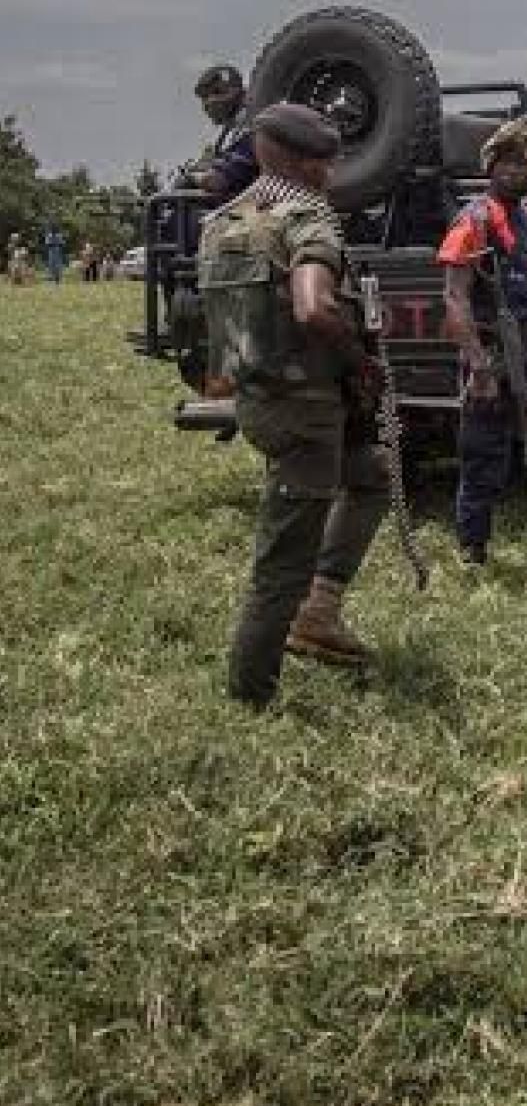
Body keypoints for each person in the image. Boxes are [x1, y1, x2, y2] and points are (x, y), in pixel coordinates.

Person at [196, 104, 389, 707]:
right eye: (327, 164)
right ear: (310, 163)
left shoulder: (222, 219)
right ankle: (250, 694)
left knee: (373, 476)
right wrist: (363, 362)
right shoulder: (309, 217)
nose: (331, 175)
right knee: (283, 560)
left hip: (259, 399)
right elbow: (312, 307)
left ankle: (321, 608)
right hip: (306, 410)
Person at [438, 121, 527, 573]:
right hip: (494, 361)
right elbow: (454, 296)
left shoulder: (522, 216)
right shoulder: (474, 219)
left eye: (525, 164)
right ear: (491, 166)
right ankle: (473, 555)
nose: (518, 171)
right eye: (509, 162)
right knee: (484, 459)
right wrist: (478, 366)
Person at [187, 64, 259, 202]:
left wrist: (190, 177)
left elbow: (217, 181)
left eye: (208, 97)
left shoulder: (252, 127)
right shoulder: (234, 132)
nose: (205, 106)